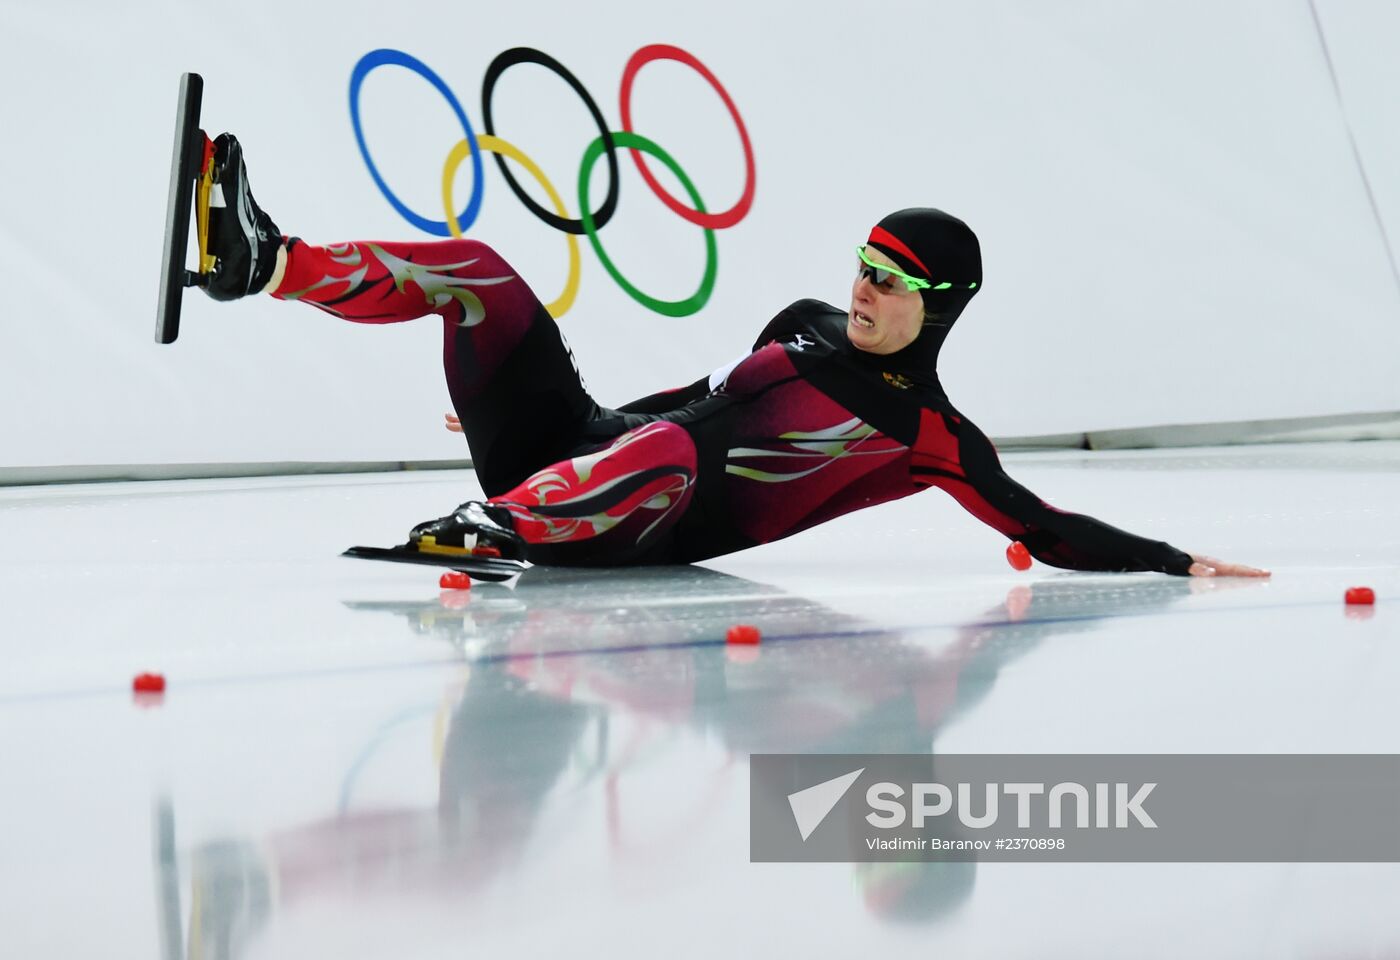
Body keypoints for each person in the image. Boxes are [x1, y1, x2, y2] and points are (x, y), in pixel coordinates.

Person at [199, 133, 1268, 577]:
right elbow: (700, 398)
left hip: (635, 522)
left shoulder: (928, 437)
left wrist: (1173, 561)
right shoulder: (803, 318)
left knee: (669, 455)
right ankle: (268, 260)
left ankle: (484, 532)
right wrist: (538, 417)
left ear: (941, 308)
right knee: (481, 272)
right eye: (862, 263)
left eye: (889, 281)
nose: (861, 287)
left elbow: (1043, 526)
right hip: (590, 460)